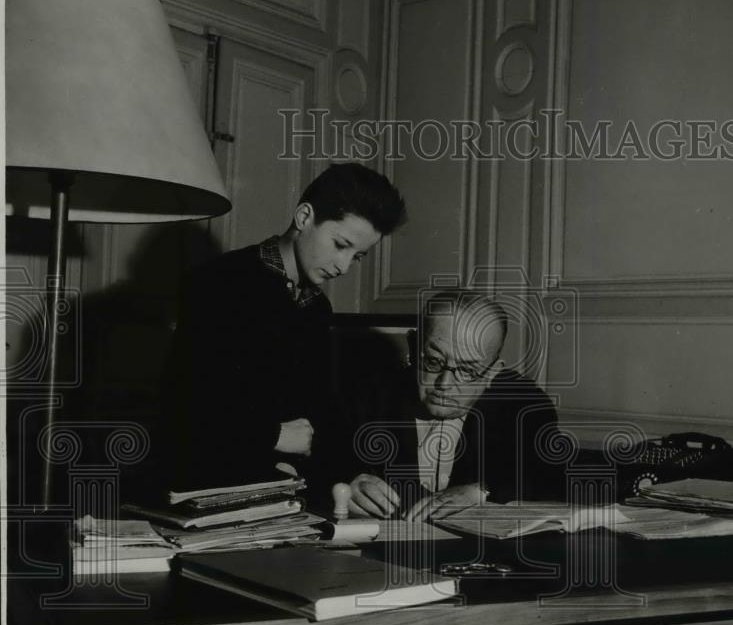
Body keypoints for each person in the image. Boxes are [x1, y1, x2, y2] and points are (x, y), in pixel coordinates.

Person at [161, 162, 406, 493]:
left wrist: (353, 475)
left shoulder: (317, 308)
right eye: (340, 244)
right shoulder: (218, 283)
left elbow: (322, 409)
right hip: (209, 491)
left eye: (357, 256)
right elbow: (186, 406)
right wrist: (273, 435)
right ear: (304, 218)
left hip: (284, 495)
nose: (344, 266)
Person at [344, 289, 565, 521]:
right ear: (412, 345)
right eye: (433, 361)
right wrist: (348, 484)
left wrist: (482, 491)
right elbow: (325, 467)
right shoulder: (367, 397)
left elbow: (550, 479)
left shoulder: (524, 406)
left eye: (468, 370)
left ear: (492, 373)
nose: (445, 383)